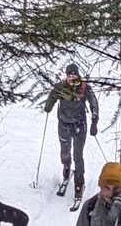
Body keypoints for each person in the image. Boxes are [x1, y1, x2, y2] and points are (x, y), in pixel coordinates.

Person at [43, 63, 100, 200]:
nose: (71, 77)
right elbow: (52, 96)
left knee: (78, 155)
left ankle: (79, 183)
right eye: (69, 75)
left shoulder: (84, 87)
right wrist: (48, 106)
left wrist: (94, 121)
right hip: (64, 124)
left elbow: (94, 103)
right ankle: (66, 170)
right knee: (65, 152)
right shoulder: (60, 86)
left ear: (77, 74)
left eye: (73, 74)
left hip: (80, 125)